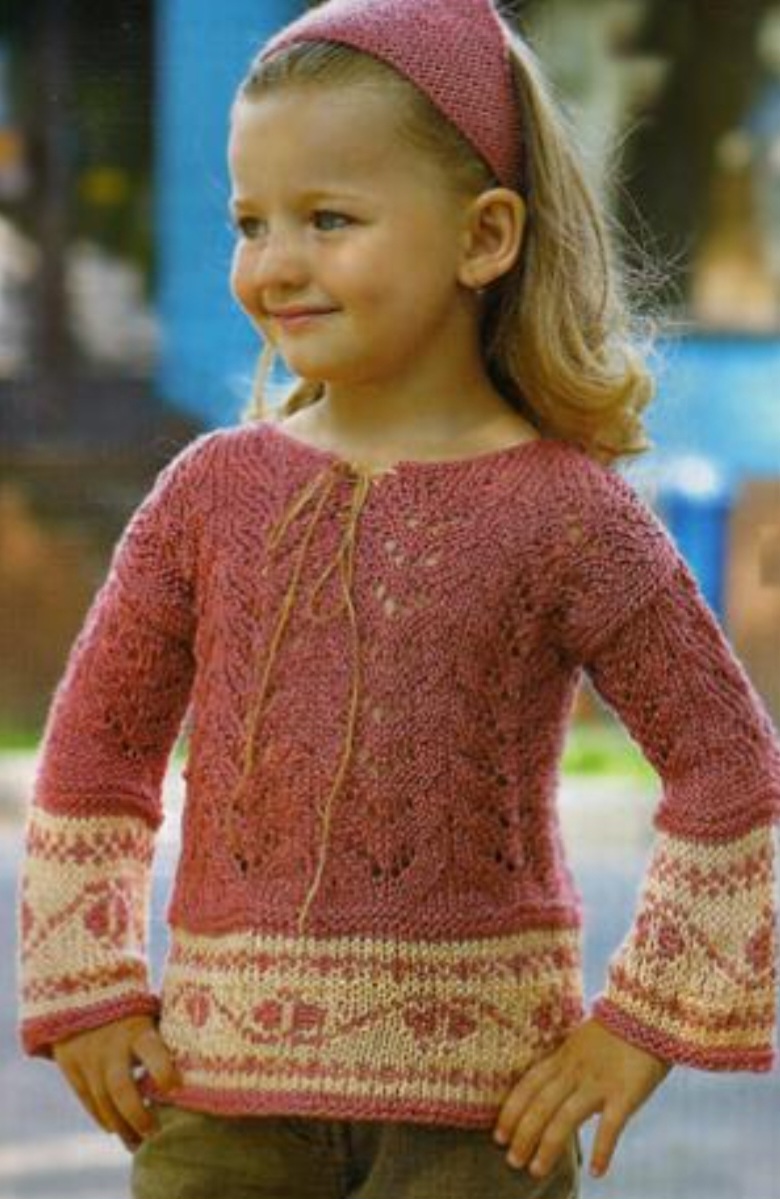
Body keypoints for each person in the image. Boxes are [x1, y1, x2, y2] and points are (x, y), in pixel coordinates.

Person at [16, 0, 780, 1196]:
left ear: (485, 236)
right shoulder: (208, 494)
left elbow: (730, 769)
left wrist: (641, 1023)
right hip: (219, 1111)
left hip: (479, 1131)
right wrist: (91, 987)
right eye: (251, 221)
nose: (275, 263)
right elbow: (97, 749)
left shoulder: (568, 514)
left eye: (329, 218)